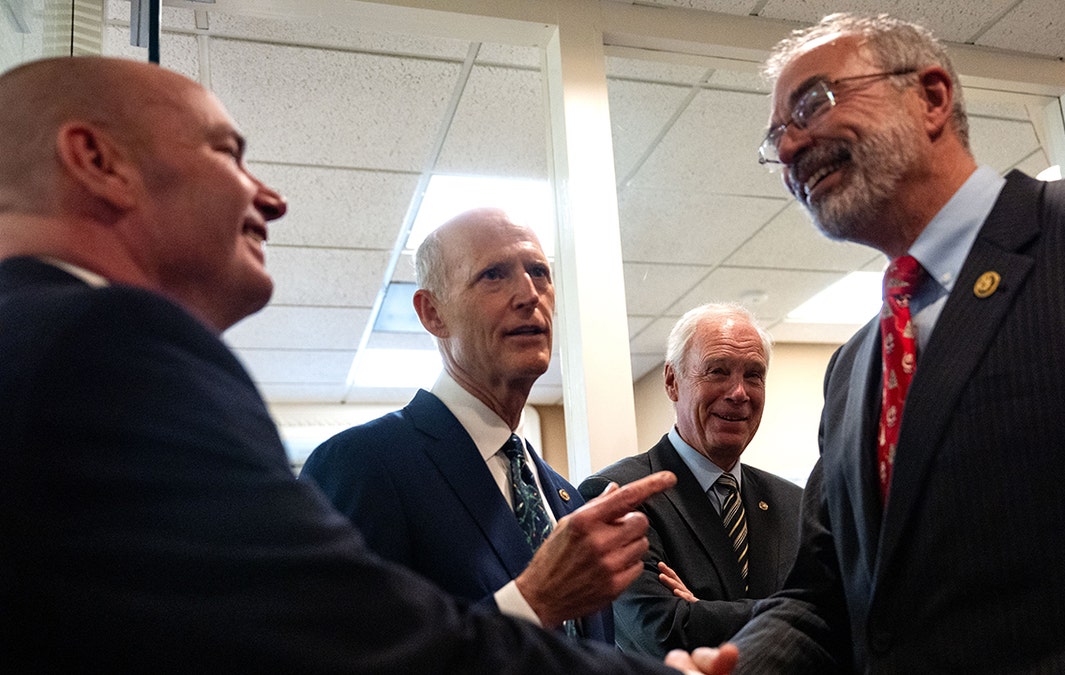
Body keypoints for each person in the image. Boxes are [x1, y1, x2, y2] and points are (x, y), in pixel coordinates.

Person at [0, 55, 743, 674]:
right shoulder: (109, 345)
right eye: (227, 153)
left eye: (541, 274)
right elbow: (333, 641)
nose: (272, 198)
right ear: (96, 160)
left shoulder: (560, 495)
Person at [675, 12, 1065, 673]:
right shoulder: (852, 369)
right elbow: (825, 597)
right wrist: (729, 666)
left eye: (810, 105)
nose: (788, 148)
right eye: (775, 136)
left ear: (930, 97)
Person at [301, 207, 630, 642]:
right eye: (493, 275)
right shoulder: (360, 463)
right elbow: (338, 652)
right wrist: (531, 605)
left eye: (539, 272)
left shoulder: (565, 500)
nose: (529, 294)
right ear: (432, 313)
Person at [579, 303, 803, 658]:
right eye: (718, 371)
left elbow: (837, 621)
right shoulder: (617, 496)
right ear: (672, 381)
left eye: (753, 375)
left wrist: (702, 612)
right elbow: (663, 632)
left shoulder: (795, 504)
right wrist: (790, 612)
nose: (739, 392)